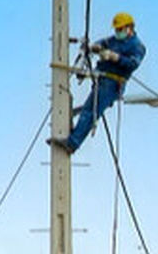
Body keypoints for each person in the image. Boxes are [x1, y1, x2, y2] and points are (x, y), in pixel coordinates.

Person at [48, 12, 146, 154]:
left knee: (90, 112)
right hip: (103, 79)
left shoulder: (137, 46)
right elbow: (103, 42)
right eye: (117, 29)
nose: (118, 32)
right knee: (88, 110)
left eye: (120, 29)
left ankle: (72, 143)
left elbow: (133, 64)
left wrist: (115, 57)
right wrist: (96, 47)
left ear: (129, 28)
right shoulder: (113, 40)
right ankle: (73, 137)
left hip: (114, 83)